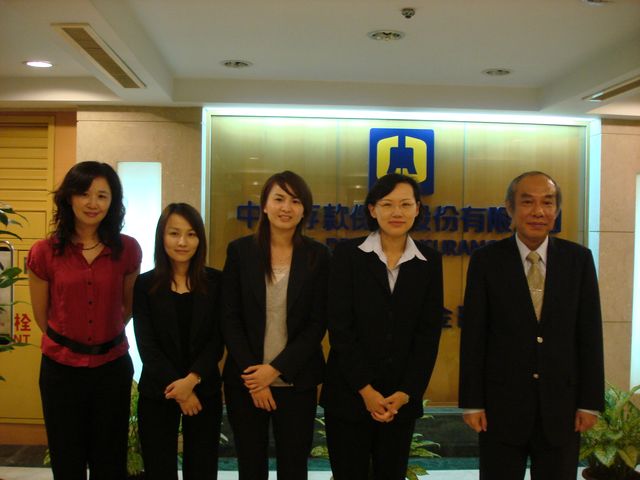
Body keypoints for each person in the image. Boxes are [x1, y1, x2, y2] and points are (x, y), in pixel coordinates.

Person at [459, 171, 605, 480]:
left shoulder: (578, 260)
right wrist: (472, 402)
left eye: (547, 203)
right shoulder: (486, 261)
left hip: (562, 409)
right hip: (501, 409)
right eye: (527, 202)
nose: (538, 212)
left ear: (557, 210)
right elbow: (474, 336)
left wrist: (590, 403)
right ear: (510, 209)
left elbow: (590, 335)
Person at [321, 173, 444, 480]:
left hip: (398, 402)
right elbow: (340, 328)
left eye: (405, 204)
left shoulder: (429, 261)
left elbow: (428, 334)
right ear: (372, 209)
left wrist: (406, 392)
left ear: (417, 209)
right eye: (387, 204)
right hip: (350, 397)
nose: (397, 212)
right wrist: (365, 390)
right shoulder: (348, 255)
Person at [27, 161, 142, 479]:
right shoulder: (44, 252)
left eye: (102, 196)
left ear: (113, 202)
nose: (93, 203)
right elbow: (42, 315)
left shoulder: (127, 250)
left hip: (112, 367)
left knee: (110, 459)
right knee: (67, 459)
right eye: (84, 194)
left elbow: (126, 308)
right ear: (69, 198)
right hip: (60, 369)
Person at [221, 170, 330, 480]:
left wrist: (275, 369)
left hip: (298, 382)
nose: (286, 207)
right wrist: (256, 376)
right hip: (246, 381)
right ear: (265, 205)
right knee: (250, 466)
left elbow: (317, 323)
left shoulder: (318, 256)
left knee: (294, 467)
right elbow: (229, 318)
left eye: (295, 201)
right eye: (279, 199)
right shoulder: (240, 251)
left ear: (304, 209)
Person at [133, 203, 223, 480]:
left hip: (203, 389)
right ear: (162, 237)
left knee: (202, 467)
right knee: (159, 468)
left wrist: (192, 380)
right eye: (174, 233)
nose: (182, 242)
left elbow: (218, 339)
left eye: (191, 234)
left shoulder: (216, 281)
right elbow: (146, 344)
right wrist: (179, 388)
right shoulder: (145, 284)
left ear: (200, 239)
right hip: (158, 390)